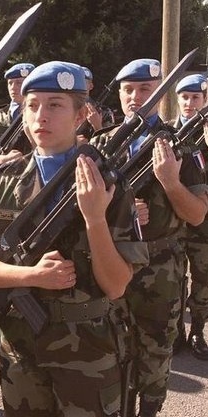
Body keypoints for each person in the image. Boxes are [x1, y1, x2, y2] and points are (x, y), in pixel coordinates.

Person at [0, 61, 148, 416]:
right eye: (32, 105)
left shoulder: (109, 185)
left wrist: (94, 218)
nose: (40, 116)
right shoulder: (2, 182)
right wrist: (30, 276)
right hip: (21, 351)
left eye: (55, 105)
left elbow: (117, 285)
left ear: (80, 117)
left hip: (89, 353)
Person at [91, 59, 208, 416]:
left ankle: (148, 411)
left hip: (161, 268)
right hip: (113, 262)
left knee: (156, 349)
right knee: (110, 347)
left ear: (158, 94)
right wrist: (117, 212)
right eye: (128, 89)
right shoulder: (99, 146)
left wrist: (171, 182)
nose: (135, 96)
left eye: (144, 89)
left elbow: (197, 214)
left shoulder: (181, 147)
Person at [172, 73, 208, 360]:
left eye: (195, 97)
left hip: (204, 224)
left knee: (203, 278)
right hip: (172, 222)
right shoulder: (167, 133)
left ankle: (197, 329)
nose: (189, 102)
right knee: (174, 278)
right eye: (184, 97)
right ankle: (176, 332)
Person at [76, 66, 115, 141]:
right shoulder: (64, 109)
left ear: (91, 86)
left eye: (82, 82)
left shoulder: (104, 112)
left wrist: (98, 126)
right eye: (76, 82)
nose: (78, 85)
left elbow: (111, 144)